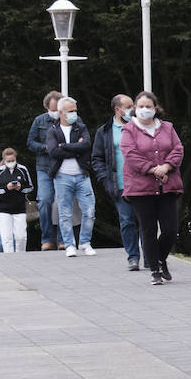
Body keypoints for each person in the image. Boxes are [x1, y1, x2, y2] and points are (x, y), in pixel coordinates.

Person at [120, 91, 184, 284]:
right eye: (141, 106)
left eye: (149, 106)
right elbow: (130, 154)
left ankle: (160, 258)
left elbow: (178, 148)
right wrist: (152, 169)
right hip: (141, 188)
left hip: (167, 185)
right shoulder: (129, 130)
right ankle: (155, 270)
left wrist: (166, 166)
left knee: (170, 229)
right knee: (148, 229)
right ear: (134, 109)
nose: (145, 110)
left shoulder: (167, 127)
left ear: (156, 108)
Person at [91, 94, 142, 270]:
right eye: (128, 107)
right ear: (117, 110)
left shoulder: (140, 126)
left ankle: (150, 256)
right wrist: (105, 180)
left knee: (145, 220)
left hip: (142, 183)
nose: (132, 110)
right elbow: (96, 159)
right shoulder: (104, 131)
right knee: (127, 220)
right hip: (119, 184)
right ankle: (133, 257)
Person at [46, 96, 95, 257]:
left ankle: (85, 242)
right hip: (62, 177)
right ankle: (69, 244)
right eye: (71, 111)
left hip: (82, 175)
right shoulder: (53, 131)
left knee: (89, 210)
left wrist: (65, 147)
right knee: (65, 213)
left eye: (75, 110)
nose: (74, 114)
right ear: (61, 112)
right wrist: (76, 149)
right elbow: (53, 151)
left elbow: (86, 145)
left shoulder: (80, 128)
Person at [27, 90, 63, 250]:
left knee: (63, 202)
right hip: (44, 167)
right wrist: (45, 148)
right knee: (45, 201)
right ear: (47, 108)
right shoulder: (39, 121)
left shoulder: (69, 120)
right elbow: (30, 142)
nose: (56, 113)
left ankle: (64, 239)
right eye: (53, 109)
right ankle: (47, 239)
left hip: (64, 166)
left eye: (58, 109)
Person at [0, 147, 35, 253]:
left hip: (19, 208)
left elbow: (30, 187)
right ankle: (9, 258)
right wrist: (6, 188)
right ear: (4, 160)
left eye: (13, 160)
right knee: (6, 238)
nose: (11, 163)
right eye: (8, 161)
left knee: (21, 237)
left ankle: (21, 256)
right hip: (3, 209)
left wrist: (21, 188)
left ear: (15, 158)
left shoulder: (22, 169)